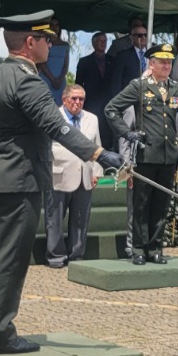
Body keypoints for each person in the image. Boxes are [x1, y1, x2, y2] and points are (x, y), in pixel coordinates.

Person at [0, 10, 121, 355]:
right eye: (45, 39)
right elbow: (58, 126)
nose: (51, 45)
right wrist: (98, 154)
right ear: (29, 43)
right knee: (10, 259)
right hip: (20, 179)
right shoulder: (27, 80)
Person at [102, 41, 178, 265]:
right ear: (151, 63)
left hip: (169, 156)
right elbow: (111, 109)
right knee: (142, 204)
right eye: (162, 62)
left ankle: (155, 249)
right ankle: (139, 249)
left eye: (169, 62)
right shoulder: (139, 86)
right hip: (145, 155)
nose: (166, 66)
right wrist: (127, 134)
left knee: (161, 204)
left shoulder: (177, 89)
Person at [46, 84, 103, 267]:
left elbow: (97, 146)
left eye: (81, 99)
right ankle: (56, 256)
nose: (78, 103)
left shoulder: (92, 119)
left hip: (84, 176)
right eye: (74, 98)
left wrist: (96, 172)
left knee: (80, 220)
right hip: (58, 175)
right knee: (55, 220)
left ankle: (76, 256)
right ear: (64, 99)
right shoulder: (52, 117)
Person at [74, 31, 115, 119]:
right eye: (101, 41)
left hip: (109, 103)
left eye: (105, 41)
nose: (103, 43)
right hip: (91, 103)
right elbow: (78, 84)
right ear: (94, 43)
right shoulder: (84, 62)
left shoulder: (113, 61)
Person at [109, 19, 148, 95]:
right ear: (131, 37)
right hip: (130, 99)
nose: (143, 37)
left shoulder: (154, 55)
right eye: (139, 35)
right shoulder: (122, 56)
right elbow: (116, 82)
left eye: (145, 35)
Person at [40, 17, 69, 107]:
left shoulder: (65, 45)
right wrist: (52, 79)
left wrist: (59, 80)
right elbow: (41, 62)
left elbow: (65, 65)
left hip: (60, 81)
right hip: (46, 80)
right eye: (51, 25)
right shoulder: (43, 43)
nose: (54, 27)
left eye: (57, 25)